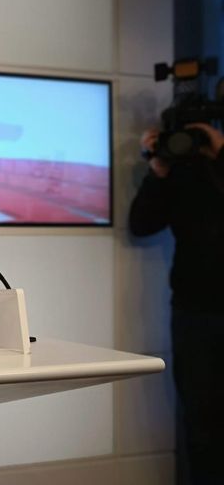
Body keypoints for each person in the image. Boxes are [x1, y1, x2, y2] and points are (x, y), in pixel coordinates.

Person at [128, 122, 224, 485]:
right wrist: (159, 172)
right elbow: (141, 224)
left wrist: (221, 151)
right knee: (200, 419)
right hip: (194, 311)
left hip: (197, 311)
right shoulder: (182, 175)